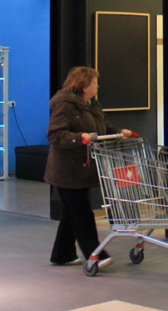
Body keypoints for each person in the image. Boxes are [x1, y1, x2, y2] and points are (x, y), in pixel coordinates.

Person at [45, 66, 133, 266]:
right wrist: (79, 138)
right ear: (84, 86)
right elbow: (55, 134)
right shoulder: (65, 105)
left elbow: (103, 128)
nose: (97, 86)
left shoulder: (92, 104)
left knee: (72, 212)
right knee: (82, 213)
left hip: (84, 168)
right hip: (66, 170)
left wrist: (118, 133)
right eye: (94, 83)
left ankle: (62, 254)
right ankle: (96, 255)